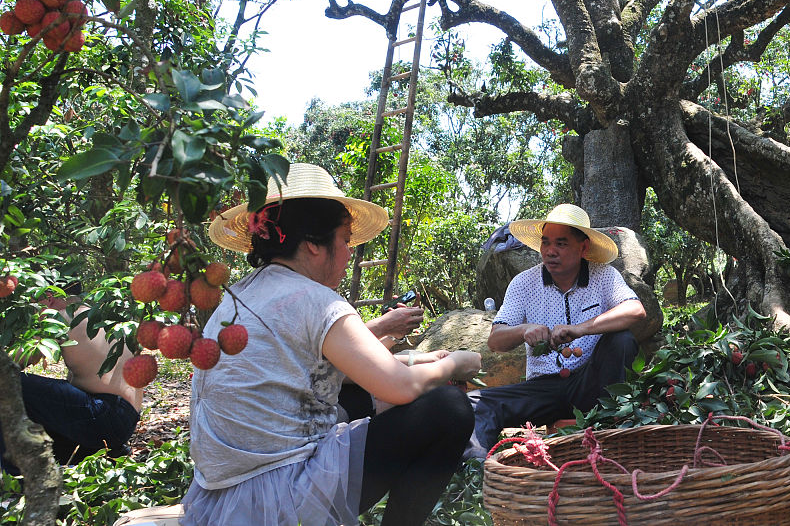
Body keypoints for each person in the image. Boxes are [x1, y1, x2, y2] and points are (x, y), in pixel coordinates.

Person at [184, 163, 481, 526]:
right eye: (344, 239)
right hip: (283, 496)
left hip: (222, 496)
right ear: (312, 243)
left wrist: (419, 360)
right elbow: (400, 389)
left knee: (356, 397)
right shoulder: (316, 301)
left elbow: (327, 372)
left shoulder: (235, 299)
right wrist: (457, 364)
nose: (348, 253)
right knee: (448, 408)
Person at [464, 204, 646, 459]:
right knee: (474, 404)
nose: (550, 252)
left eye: (561, 244)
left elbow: (635, 310)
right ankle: (478, 469)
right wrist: (523, 330)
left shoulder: (604, 276)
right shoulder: (524, 283)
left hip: (591, 385)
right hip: (543, 389)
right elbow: (496, 340)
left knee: (622, 340)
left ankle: (612, 433)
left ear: (583, 247)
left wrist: (580, 329)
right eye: (545, 243)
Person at [0, 289, 142, 475]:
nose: (36, 315)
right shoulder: (103, 318)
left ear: (49, 299)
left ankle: (14, 474)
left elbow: (11, 365)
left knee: (8, 383)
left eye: (35, 307)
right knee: (49, 397)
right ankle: (105, 453)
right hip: (123, 422)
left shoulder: (61, 317)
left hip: (103, 415)